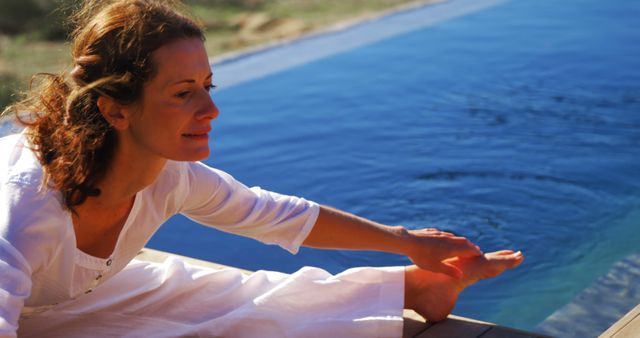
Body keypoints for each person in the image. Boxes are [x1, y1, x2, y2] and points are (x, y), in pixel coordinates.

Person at [0, 1, 524, 337]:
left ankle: (416, 287)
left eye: (208, 86)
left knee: (231, 300)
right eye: (183, 94)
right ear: (116, 109)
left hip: (63, 302)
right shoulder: (22, 212)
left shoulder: (169, 175)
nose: (210, 111)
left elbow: (273, 214)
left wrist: (411, 243)